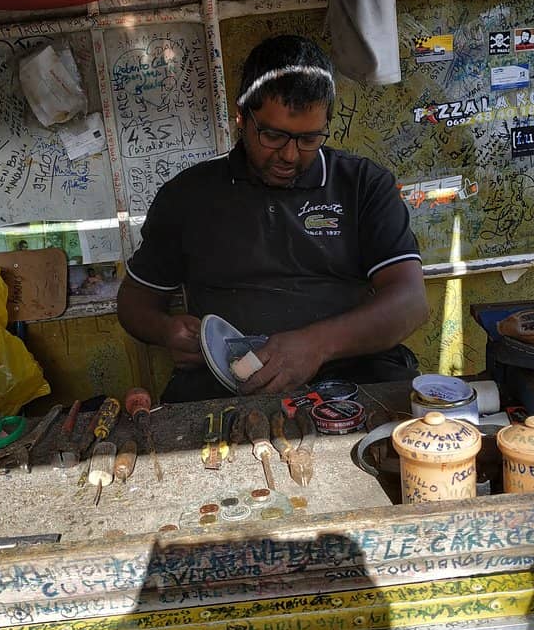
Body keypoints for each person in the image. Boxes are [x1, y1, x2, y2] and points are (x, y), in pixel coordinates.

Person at [117, 35, 429, 402]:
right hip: (225, 385)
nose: (290, 156)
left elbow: (410, 302)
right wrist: (166, 330)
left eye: (309, 139)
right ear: (241, 117)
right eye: (273, 135)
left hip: (355, 376)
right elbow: (134, 302)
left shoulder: (362, 184)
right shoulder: (188, 195)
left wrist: (315, 346)